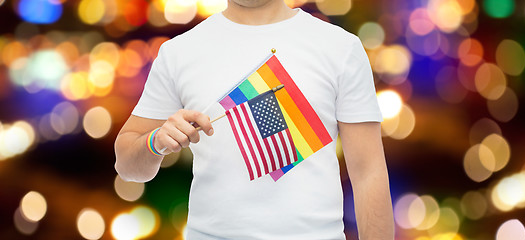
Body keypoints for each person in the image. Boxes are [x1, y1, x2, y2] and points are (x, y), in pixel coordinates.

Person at [114, 0, 394, 239]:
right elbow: (127, 164)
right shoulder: (178, 53)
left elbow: (368, 174)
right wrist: (155, 142)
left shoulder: (341, 48)